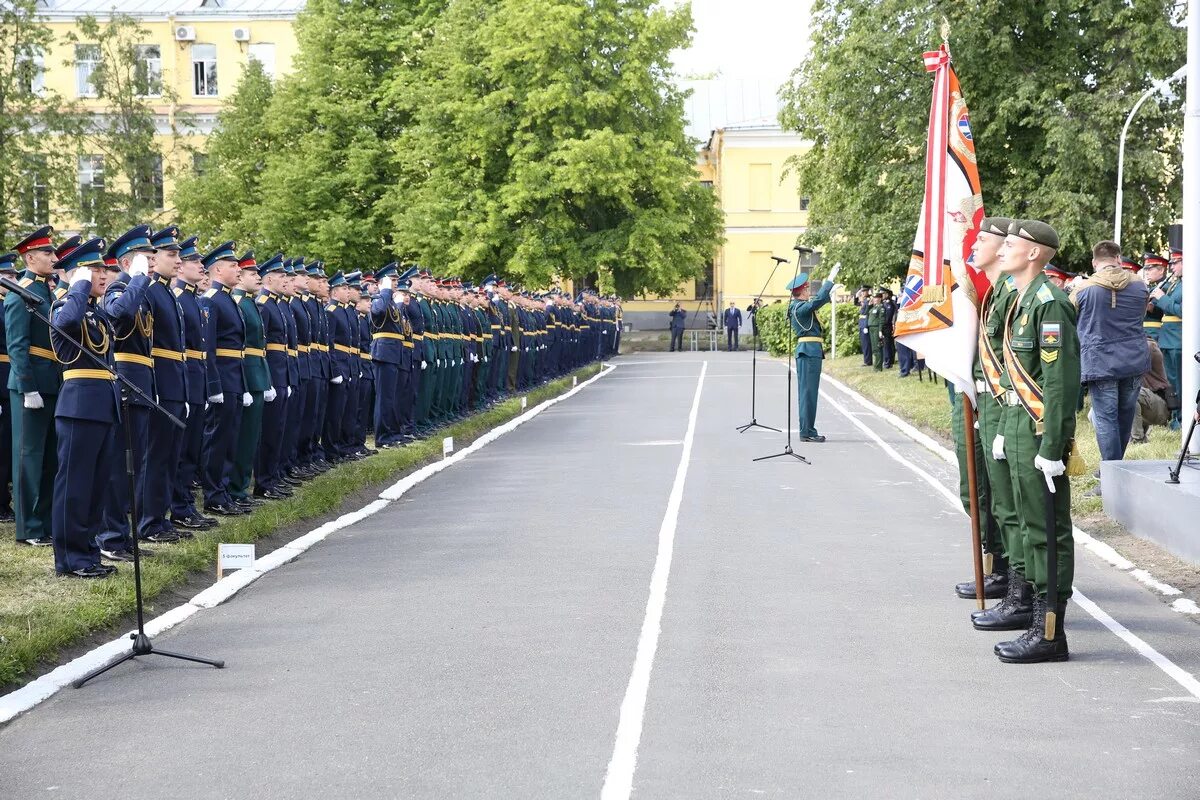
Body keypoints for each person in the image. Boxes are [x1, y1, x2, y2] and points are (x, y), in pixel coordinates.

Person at [994, 219, 1079, 664]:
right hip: (1020, 426)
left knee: (1048, 531)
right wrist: (1007, 431)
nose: (1002, 249)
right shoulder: (1021, 301)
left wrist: (1052, 447)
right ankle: (1035, 620)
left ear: (1032, 253)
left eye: (1011, 243)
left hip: (1040, 433)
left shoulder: (1049, 303)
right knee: (1029, 527)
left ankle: (1051, 633)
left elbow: (1061, 383)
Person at [48, 238, 126, 578]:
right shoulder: (63, 305)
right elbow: (66, 325)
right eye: (93, 270)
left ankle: (89, 551)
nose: (102, 275)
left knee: (96, 486)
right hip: (79, 405)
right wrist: (77, 284)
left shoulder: (95, 311)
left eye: (102, 269)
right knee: (75, 486)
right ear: (76, 273)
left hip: (103, 403)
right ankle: (70, 558)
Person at [952, 217, 1017, 610]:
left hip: (1006, 407)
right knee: (977, 490)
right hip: (983, 397)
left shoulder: (1016, 296)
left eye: (983, 240)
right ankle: (1001, 571)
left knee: (1009, 502)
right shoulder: (994, 295)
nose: (972, 247)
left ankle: (1021, 589)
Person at [1071, 241, 1149, 496]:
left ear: (1095, 262)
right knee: (1125, 416)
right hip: (1133, 358)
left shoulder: (1083, 288)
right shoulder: (1139, 285)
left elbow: (1071, 318)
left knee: (1105, 418)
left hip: (1100, 360)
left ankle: (1111, 477)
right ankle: (1116, 468)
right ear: (1118, 258)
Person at [7, 225, 61, 547]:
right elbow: (17, 345)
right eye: (47, 253)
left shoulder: (47, 292)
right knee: (28, 455)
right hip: (30, 385)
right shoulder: (20, 292)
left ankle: (47, 521)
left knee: (51, 456)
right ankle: (28, 527)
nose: (54, 257)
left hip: (53, 381)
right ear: (30, 258)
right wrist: (27, 387)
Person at [169, 236, 216, 531]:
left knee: (192, 448)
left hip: (197, 378)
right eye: (194, 261)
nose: (201, 266)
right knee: (181, 449)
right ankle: (179, 507)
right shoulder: (177, 298)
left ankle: (186, 504)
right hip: (183, 378)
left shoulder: (195, 300)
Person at [199, 241, 248, 516]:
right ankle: (213, 494)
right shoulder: (211, 300)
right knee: (217, 439)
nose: (237, 269)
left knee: (230, 438)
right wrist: (213, 384)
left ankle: (224, 490)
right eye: (232, 265)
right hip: (223, 379)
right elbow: (209, 348)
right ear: (217, 270)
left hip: (234, 376)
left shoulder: (227, 298)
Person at [227, 252, 268, 511]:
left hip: (257, 372)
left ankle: (241, 487)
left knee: (251, 437)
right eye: (253, 273)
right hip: (246, 373)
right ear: (239, 276)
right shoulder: (239, 303)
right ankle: (235, 489)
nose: (258, 277)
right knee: (241, 439)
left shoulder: (250, 303)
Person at [787, 262, 840, 443]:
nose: (809, 291)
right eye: (807, 288)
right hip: (809, 352)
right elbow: (816, 303)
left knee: (808, 393)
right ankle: (807, 431)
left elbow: (815, 303)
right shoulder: (799, 308)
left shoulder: (797, 306)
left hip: (809, 352)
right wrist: (830, 281)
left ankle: (807, 429)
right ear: (802, 291)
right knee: (808, 393)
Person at [1149, 248, 1183, 428]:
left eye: (1176, 263)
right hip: (1168, 338)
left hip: (1179, 338)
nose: (1172, 267)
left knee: (1181, 381)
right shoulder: (1175, 284)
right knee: (1171, 382)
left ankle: (1182, 419)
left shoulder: (1190, 284)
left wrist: (1162, 299)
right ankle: (1175, 417)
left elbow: (1183, 311)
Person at [1131, 337, 1172, 443]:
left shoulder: (1148, 346)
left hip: (1160, 406)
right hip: (1147, 403)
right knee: (1094, 412)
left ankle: (1138, 439)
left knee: (1130, 396)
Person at [1141, 253, 1165, 343]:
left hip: (1156, 333)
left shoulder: (1167, 287)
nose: (1147, 272)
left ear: (1161, 270)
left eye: (1150, 269)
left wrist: (1152, 309)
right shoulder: (1152, 288)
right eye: (1146, 269)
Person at [867, 292, 886, 371]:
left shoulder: (880, 308)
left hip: (876, 328)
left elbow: (882, 320)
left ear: (880, 299)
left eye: (876, 298)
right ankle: (876, 366)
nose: (874, 299)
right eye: (874, 298)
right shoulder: (873, 308)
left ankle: (878, 367)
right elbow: (866, 312)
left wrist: (880, 330)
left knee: (877, 348)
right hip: (871, 328)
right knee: (874, 348)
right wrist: (869, 305)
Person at [856, 288, 873, 367]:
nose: (862, 293)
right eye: (862, 292)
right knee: (864, 343)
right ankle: (866, 360)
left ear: (867, 292)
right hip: (861, 323)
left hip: (865, 323)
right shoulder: (863, 300)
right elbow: (856, 303)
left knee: (866, 343)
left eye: (864, 292)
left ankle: (868, 361)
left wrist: (866, 325)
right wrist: (857, 296)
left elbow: (866, 312)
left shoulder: (868, 300)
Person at [880, 289, 896, 368]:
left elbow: (888, 317)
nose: (881, 296)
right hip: (885, 326)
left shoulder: (889, 304)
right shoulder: (884, 304)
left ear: (887, 294)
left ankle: (888, 362)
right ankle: (888, 360)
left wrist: (882, 324)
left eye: (883, 294)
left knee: (887, 345)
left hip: (887, 326)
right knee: (886, 344)